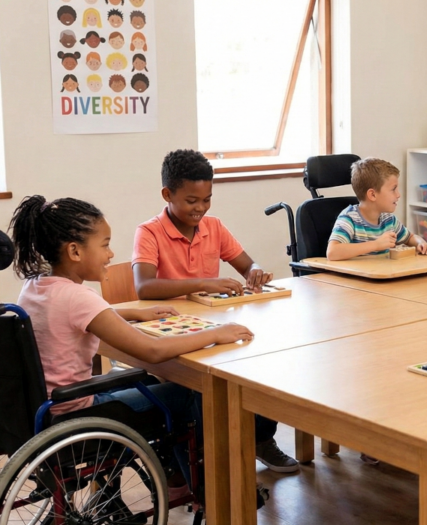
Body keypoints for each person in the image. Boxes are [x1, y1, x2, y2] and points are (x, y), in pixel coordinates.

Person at [9, 195, 253, 491]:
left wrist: (133, 311)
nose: (111, 254)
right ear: (74, 251)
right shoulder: (78, 297)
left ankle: (167, 468)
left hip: (45, 411)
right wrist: (215, 333)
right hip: (79, 412)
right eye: (105, 245)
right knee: (190, 392)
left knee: (149, 381)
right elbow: (152, 350)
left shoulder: (35, 286)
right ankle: (205, 488)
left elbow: (75, 315)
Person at [132, 149, 299, 473]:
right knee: (197, 392)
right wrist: (204, 283)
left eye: (207, 199)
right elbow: (144, 287)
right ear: (167, 194)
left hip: (215, 327)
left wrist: (257, 272)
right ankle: (207, 464)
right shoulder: (149, 232)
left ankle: (260, 438)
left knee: (263, 363)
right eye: (191, 200)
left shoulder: (214, 227)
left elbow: (248, 263)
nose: (200, 208)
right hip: (175, 332)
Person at [327, 157, 427, 260]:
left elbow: (410, 238)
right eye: (393, 189)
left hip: (383, 275)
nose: (398, 195)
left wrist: (421, 243)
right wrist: (376, 245)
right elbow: (332, 252)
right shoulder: (349, 219)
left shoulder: (389, 220)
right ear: (372, 195)